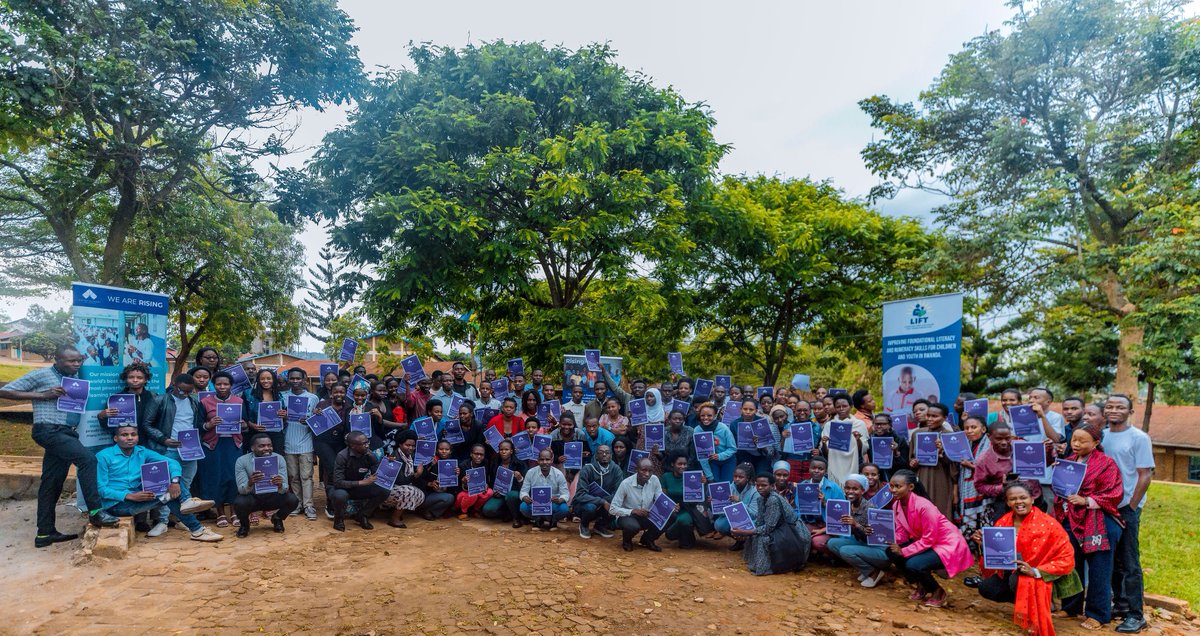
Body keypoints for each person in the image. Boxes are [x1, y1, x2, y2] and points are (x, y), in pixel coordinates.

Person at [0, 345, 119, 546]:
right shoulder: (42, 375)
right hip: (48, 430)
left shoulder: (74, 380)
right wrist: (43, 395)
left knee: (52, 482)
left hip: (65, 432)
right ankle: (96, 512)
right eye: (71, 361)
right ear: (57, 359)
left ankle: (45, 534)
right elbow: (4, 391)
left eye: (79, 360)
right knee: (88, 460)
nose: (76, 364)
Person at [975, 481, 1078, 636]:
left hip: (1041, 574)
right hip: (1011, 570)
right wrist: (984, 544)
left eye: (1023, 497)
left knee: (1018, 580)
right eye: (1013, 499)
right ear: (1008, 502)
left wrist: (1036, 571)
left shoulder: (1048, 523)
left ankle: (1039, 604)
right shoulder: (1003, 522)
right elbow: (996, 554)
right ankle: (1028, 604)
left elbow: (1066, 557)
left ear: (1032, 499)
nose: (1019, 502)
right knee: (986, 588)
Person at [95, 424, 221, 542]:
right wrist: (129, 496)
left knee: (170, 485)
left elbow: (171, 462)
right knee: (170, 497)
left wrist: (175, 481)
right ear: (116, 438)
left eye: (133, 434)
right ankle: (197, 528)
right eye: (125, 435)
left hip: (138, 495)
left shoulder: (141, 451)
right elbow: (101, 489)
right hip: (117, 505)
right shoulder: (103, 456)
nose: (130, 438)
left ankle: (189, 509)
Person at [1055, 425, 1124, 630]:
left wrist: (1086, 500)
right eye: (1074, 439)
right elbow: (1060, 490)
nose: (1076, 444)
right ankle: (1070, 606)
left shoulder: (1107, 465)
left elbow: (1114, 493)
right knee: (1071, 563)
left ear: (1095, 443)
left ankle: (1098, 614)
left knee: (1099, 568)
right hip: (1071, 519)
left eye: (1082, 441)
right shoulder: (1067, 463)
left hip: (1099, 522)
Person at [1101, 394, 1155, 634]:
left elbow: (1145, 474)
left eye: (1120, 407)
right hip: (1103, 504)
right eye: (1110, 406)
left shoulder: (1139, 438)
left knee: (1130, 561)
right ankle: (1120, 605)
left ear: (1130, 411)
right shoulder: (1101, 435)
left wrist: (1131, 507)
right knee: (1113, 558)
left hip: (1126, 506)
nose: (1114, 410)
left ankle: (1136, 614)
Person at [886, 469, 974, 608]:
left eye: (898, 486)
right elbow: (901, 533)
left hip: (946, 545)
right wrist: (884, 537)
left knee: (913, 564)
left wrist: (904, 551)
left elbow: (929, 539)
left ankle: (937, 591)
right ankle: (922, 585)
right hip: (925, 542)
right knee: (891, 552)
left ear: (910, 487)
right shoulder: (896, 504)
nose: (893, 490)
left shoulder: (924, 506)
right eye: (891, 486)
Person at [198, 371, 248, 528]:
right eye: (218, 384)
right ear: (213, 385)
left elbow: (246, 424)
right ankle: (220, 513)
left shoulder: (239, 401)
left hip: (233, 445)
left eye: (225, 384)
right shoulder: (205, 402)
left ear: (231, 385)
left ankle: (234, 512)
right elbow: (199, 426)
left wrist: (243, 424)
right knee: (216, 478)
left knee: (233, 478)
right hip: (214, 445)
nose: (222, 387)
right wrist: (209, 424)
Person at [732, 472, 807, 575]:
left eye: (764, 485)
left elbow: (768, 528)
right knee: (754, 534)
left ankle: (766, 568)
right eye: (758, 485)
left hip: (792, 531)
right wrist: (747, 530)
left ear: (772, 486)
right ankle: (756, 564)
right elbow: (759, 521)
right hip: (780, 528)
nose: (760, 488)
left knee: (762, 538)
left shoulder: (773, 500)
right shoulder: (761, 498)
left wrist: (745, 532)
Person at [828, 474, 889, 588]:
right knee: (832, 544)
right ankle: (864, 569)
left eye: (855, 489)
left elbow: (874, 537)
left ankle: (874, 572)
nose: (850, 491)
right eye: (847, 488)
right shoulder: (847, 505)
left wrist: (856, 525)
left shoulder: (870, 508)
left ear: (862, 490)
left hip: (879, 550)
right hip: (863, 544)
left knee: (846, 551)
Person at [232, 433, 300, 536]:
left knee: (292, 500)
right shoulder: (242, 461)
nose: (267, 448)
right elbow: (242, 490)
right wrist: (250, 482)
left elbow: (285, 488)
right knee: (239, 503)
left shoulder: (279, 458)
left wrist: (280, 484)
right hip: (253, 498)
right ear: (252, 448)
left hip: (273, 496)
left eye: (269, 445)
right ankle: (245, 525)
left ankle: (277, 518)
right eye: (261, 446)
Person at [974, 421, 1043, 517]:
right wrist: (1002, 487)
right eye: (999, 439)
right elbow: (979, 486)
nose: (1004, 442)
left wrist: (1048, 450)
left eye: (1007, 438)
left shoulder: (1022, 446)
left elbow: (1043, 463)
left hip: (1035, 498)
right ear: (989, 437)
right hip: (1007, 504)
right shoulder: (983, 461)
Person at [329, 431, 389, 531]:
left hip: (358, 488)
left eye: (367, 442)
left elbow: (378, 474)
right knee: (340, 496)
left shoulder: (369, 454)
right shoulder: (342, 456)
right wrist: (362, 482)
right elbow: (338, 482)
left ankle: (362, 515)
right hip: (341, 488)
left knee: (384, 490)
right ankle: (338, 519)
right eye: (364, 444)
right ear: (353, 446)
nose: (367, 445)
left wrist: (387, 463)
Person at [907, 402, 958, 519]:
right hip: (922, 477)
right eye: (928, 415)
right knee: (921, 511)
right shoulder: (917, 434)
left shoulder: (949, 436)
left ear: (944, 418)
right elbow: (911, 459)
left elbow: (955, 465)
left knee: (940, 511)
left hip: (942, 478)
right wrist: (913, 463)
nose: (930, 419)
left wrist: (942, 451)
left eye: (934, 416)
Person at [281, 368, 319, 521]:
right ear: (288, 379)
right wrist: (283, 417)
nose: (295, 381)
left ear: (304, 380)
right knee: (293, 477)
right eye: (292, 378)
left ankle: (309, 505)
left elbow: (316, 421)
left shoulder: (313, 398)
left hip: (306, 444)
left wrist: (309, 420)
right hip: (288, 442)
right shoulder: (283, 397)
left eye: (298, 378)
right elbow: (278, 420)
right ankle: (297, 504)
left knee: (306, 476)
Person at [610, 457, 669, 552]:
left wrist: (670, 507)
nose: (647, 474)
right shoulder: (626, 484)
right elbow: (612, 509)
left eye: (650, 471)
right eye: (643, 470)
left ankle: (648, 539)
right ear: (636, 470)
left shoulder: (654, 480)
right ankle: (627, 540)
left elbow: (660, 499)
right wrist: (633, 511)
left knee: (671, 516)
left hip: (647, 515)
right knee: (633, 526)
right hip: (628, 516)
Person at [659, 452, 714, 548]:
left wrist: (703, 484)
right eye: (679, 464)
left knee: (682, 522)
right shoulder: (666, 477)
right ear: (672, 464)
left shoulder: (694, 477)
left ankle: (687, 537)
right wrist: (671, 506)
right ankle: (686, 536)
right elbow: (663, 496)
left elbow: (700, 498)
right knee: (670, 534)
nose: (683, 466)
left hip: (689, 510)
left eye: (685, 464)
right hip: (672, 510)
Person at [571, 444, 623, 539]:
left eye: (607, 453)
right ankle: (584, 525)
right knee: (590, 507)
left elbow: (618, 493)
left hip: (606, 503)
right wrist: (602, 501)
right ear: (596, 456)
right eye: (600, 452)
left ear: (611, 455)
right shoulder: (587, 469)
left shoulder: (616, 469)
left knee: (616, 505)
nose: (604, 455)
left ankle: (600, 526)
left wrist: (607, 502)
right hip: (585, 504)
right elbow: (580, 495)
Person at [314, 383, 350, 518]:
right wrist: (315, 414)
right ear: (331, 393)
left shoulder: (348, 407)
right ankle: (330, 504)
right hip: (323, 442)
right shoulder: (322, 406)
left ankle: (339, 501)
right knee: (331, 469)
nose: (339, 394)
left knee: (340, 470)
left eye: (342, 392)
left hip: (340, 442)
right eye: (336, 392)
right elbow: (314, 423)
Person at [379, 429, 426, 528]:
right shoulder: (394, 457)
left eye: (413, 446)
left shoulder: (411, 456)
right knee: (409, 491)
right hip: (387, 491)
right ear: (400, 444)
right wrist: (416, 474)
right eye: (407, 445)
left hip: (399, 490)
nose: (411, 448)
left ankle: (399, 511)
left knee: (420, 495)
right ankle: (394, 518)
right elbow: (401, 481)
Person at [800, 456, 844, 558]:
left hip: (829, 527)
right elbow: (798, 509)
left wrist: (825, 503)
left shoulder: (834, 488)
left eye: (820, 469)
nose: (816, 471)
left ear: (825, 471)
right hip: (810, 523)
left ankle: (836, 556)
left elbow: (841, 515)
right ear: (809, 469)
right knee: (799, 534)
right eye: (813, 468)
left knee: (816, 541)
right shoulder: (803, 485)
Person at [821, 394, 869, 485]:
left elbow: (863, 449)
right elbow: (825, 452)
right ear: (835, 408)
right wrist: (824, 443)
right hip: (835, 466)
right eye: (838, 406)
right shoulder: (829, 425)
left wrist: (858, 440)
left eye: (844, 406)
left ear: (850, 406)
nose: (841, 409)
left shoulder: (859, 424)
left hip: (854, 465)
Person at [519, 448, 570, 529]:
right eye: (541, 459)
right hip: (535, 504)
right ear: (537, 460)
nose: (544, 462)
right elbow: (523, 491)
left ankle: (553, 520)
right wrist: (525, 497)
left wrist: (560, 500)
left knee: (564, 509)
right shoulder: (530, 472)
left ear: (552, 460)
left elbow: (565, 494)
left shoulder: (558, 474)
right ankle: (537, 519)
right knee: (523, 507)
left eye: (547, 459)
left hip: (553, 504)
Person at [481, 439, 527, 525]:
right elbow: (492, 481)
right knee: (488, 510)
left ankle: (516, 518)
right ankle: (507, 513)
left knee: (511, 495)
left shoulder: (520, 464)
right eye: (501, 450)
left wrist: (520, 478)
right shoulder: (495, 463)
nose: (503, 452)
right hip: (500, 494)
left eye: (506, 449)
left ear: (511, 451)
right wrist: (495, 491)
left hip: (514, 494)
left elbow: (526, 486)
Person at [715, 463, 761, 548]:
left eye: (741, 477)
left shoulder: (755, 491)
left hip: (750, 520)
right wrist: (716, 502)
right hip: (734, 518)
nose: (737, 479)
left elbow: (755, 514)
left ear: (748, 478)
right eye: (735, 476)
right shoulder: (729, 488)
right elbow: (722, 513)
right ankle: (740, 540)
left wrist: (739, 502)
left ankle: (748, 542)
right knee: (720, 524)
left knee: (753, 525)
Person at [694, 403, 737, 484]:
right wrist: (709, 476)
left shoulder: (723, 428)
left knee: (726, 484)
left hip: (728, 460)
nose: (706, 418)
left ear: (715, 415)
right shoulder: (697, 430)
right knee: (714, 484)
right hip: (711, 462)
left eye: (709, 415)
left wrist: (719, 456)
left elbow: (733, 448)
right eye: (703, 415)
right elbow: (702, 456)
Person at [416, 440, 459, 520]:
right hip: (425, 495)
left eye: (447, 449)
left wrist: (457, 476)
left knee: (451, 497)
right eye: (441, 449)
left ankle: (431, 511)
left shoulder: (453, 465)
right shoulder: (429, 461)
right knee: (448, 498)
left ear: (450, 451)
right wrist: (429, 483)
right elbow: (417, 480)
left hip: (441, 494)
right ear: (436, 450)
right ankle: (422, 510)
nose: (444, 451)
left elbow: (454, 487)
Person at [454, 444, 493, 519]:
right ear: (471, 454)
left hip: (478, 489)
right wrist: (464, 482)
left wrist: (486, 485)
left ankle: (475, 510)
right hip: (464, 493)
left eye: (481, 454)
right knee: (472, 495)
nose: (479, 456)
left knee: (489, 492)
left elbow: (486, 479)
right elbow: (457, 487)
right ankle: (462, 511)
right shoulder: (463, 465)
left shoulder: (485, 463)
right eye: (476, 454)